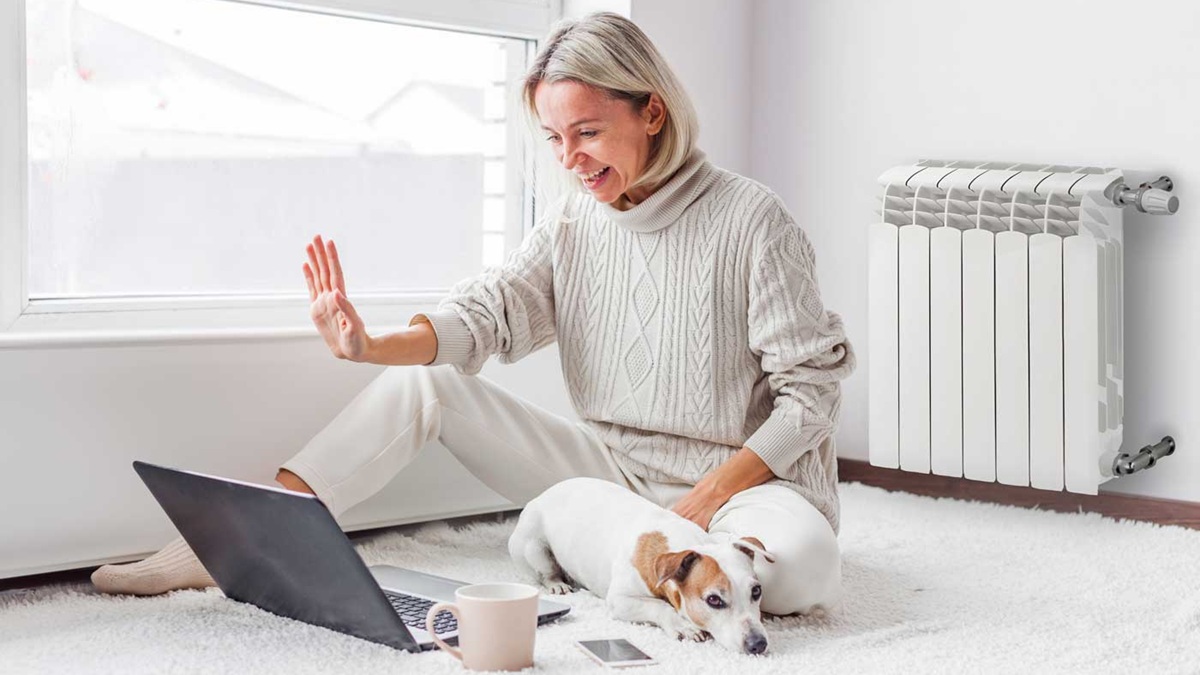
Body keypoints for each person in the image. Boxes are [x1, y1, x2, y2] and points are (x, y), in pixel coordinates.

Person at [92, 11, 856, 618]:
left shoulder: (754, 220)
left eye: (588, 132)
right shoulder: (571, 222)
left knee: (800, 574)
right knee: (429, 385)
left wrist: (711, 496)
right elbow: (489, 311)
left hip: (749, 489)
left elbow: (811, 397)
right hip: (616, 479)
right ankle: (236, 539)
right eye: (555, 139)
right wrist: (370, 345)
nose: (572, 158)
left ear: (652, 110)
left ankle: (686, 565)